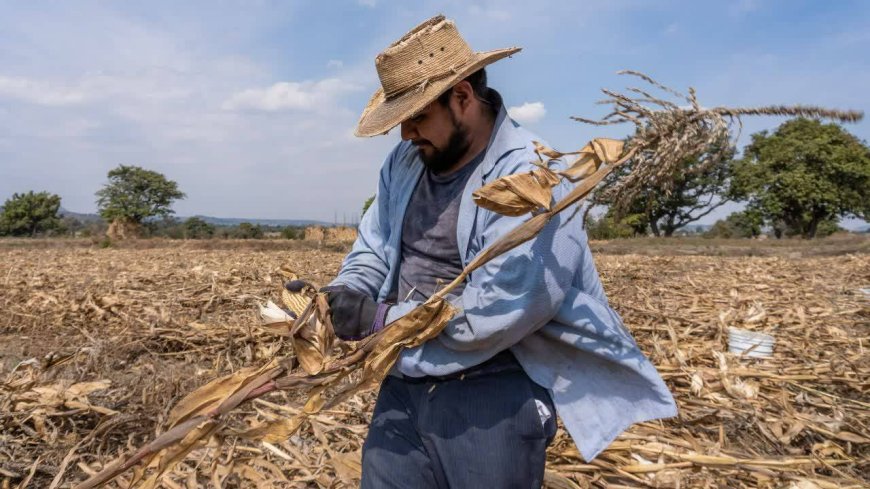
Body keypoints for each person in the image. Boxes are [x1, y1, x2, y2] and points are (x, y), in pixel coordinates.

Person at [319, 15, 677, 488]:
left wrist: (378, 321)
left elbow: (500, 310)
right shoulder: (406, 162)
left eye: (418, 116)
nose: (406, 134)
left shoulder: (535, 180)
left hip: (493, 391)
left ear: (463, 97)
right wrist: (346, 293)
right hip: (402, 378)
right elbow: (376, 244)